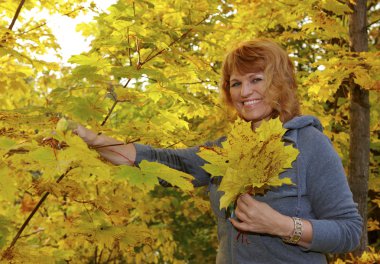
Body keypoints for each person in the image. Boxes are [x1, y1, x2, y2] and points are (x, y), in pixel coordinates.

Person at [74, 38, 362, 263]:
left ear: (280, 82)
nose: (244, 91)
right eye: (235, 83)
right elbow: (164, 162)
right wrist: (93, 140)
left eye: (256, 79)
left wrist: (283, 226)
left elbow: (350, 232)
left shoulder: (310, 143)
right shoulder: (227, 149)